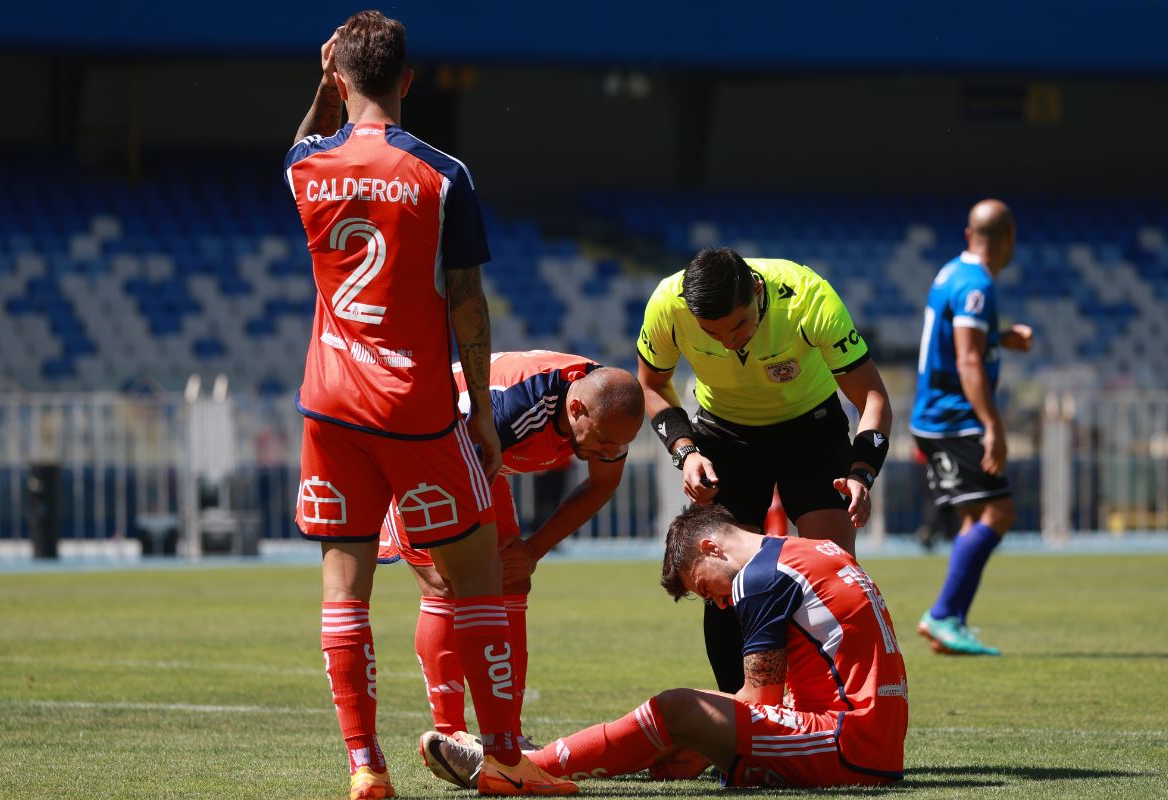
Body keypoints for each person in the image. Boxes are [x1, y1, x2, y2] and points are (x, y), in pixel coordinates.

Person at [284, 13, 575, 797]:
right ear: (409, 81)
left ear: (337, 76)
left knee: (345, 588)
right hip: (414, 404)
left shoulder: (307, 167)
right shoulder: (443, 174)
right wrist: (481, 409)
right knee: (478, 577)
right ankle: (508, 760)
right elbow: (469, 305)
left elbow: (303, 142)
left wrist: (323, 87)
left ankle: (364, 766)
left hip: (329, 405)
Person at [419, 504, 909, 790]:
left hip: (847, 743)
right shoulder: (814, 549)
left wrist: (694, 741)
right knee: (689, 712)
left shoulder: (758, 578)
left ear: (710, 548)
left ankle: (520, 770)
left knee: (675, 708)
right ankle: (530, 761)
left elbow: (760, 702)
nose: (717, 604)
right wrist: (698, 742)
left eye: (702, 587)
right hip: (868, 736)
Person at [636, 247, 893, 693]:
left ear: (757, 292)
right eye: (712, 334)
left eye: (738, 326)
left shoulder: (808, 296)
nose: (729, 341)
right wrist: (686, 450)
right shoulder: (666, 302)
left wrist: (862, 471)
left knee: (831, 568)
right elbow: (651, 384)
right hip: (725, 436)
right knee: (723, 582)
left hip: (812, 429)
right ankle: (741, 720)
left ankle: (836, 708)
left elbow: (872, 397)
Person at [377, 351, 645, 751]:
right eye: (605, 441)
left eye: (621, 444)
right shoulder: (513, 409)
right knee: (446, 586)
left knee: (513, 577)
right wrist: (431, 559)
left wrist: (534, 549)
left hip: (481, 463)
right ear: (576, 410)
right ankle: (449, 734)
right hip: (420, 455)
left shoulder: (607, 412)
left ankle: (508, 734)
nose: (612, 452)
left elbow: (602, 484)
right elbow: (432, 465)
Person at [911, 199, 1032, 656]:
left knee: (972, 516)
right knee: (1000, 513)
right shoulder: (977, 284)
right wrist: (993, 424)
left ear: (968, 235)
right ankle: (942, 615)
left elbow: (955, 339)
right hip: (954, 418)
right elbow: (966, 358)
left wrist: (1001, 337)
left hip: (940, 414)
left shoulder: (951, 273)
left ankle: (953, 623)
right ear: (1010, 239)